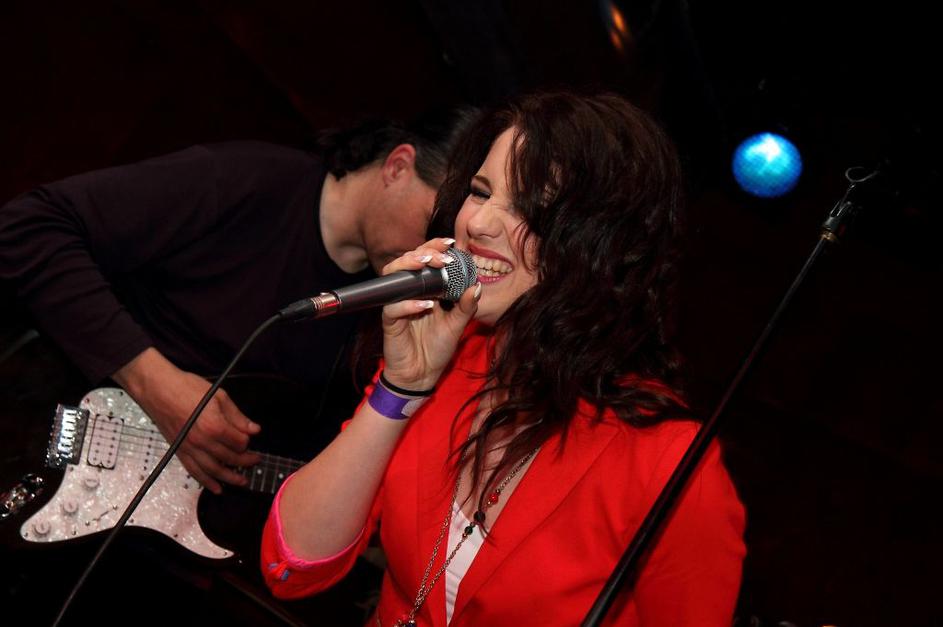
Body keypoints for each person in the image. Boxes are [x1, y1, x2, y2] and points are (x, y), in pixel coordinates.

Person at [260, 92, 746, 625]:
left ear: (603, 247)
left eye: (530, 206)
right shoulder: (448, 361)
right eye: (480, 192)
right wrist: (400, 387)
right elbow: (294, 564)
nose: (478, 223)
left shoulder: (669, 464)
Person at [0, 107, 478, 494]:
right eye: (433, 224)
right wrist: (155, 383)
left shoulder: (386, 312)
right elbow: (29, 226)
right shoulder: (246, 180)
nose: (430, 251)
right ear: (397, 166)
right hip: (37, 417)